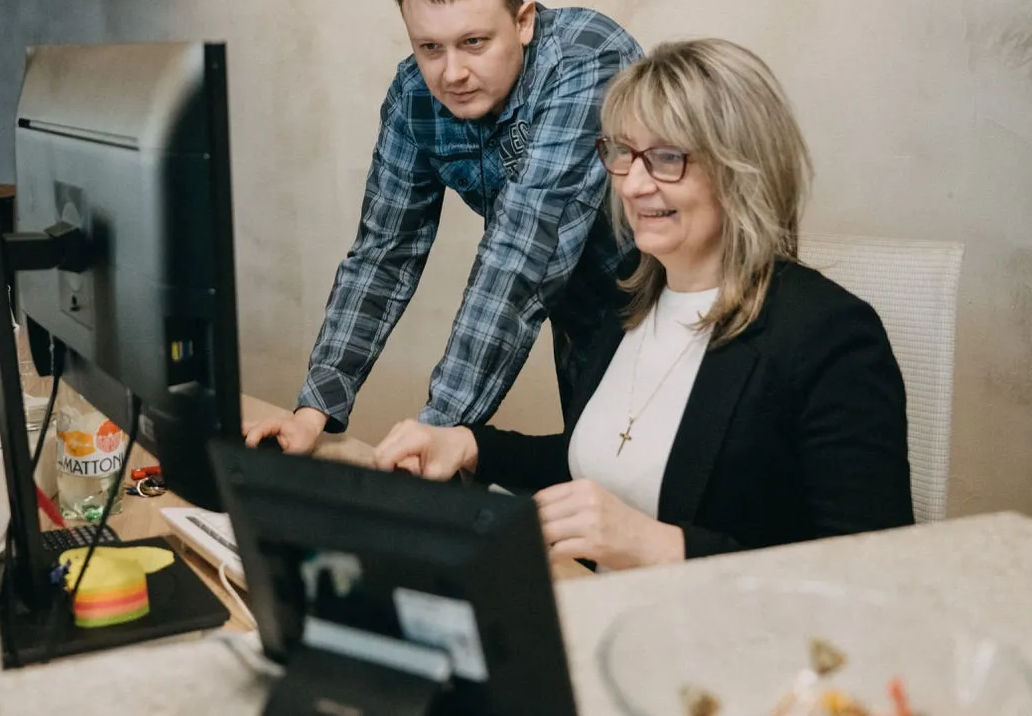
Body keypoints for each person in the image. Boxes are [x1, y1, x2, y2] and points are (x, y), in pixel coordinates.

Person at [374, 39, 913, 570]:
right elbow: (604, 459)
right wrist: (469, 445)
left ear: (742, 169)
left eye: (665, 158)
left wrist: (656, 546)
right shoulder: (625, 304)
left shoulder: (828, 334)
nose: (632, 184)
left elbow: (871, 569)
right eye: (622, 153)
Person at [244, 0, 642, 454]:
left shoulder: (588, 58)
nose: (450, 73)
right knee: (595, 480)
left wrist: (434, 431)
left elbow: (522, 253)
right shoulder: (415, 94)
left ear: (523, 22)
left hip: (679, 307)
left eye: (474, 42)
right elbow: (384, 253)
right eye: (429, 47)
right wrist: (314, 410)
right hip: (579, 318)